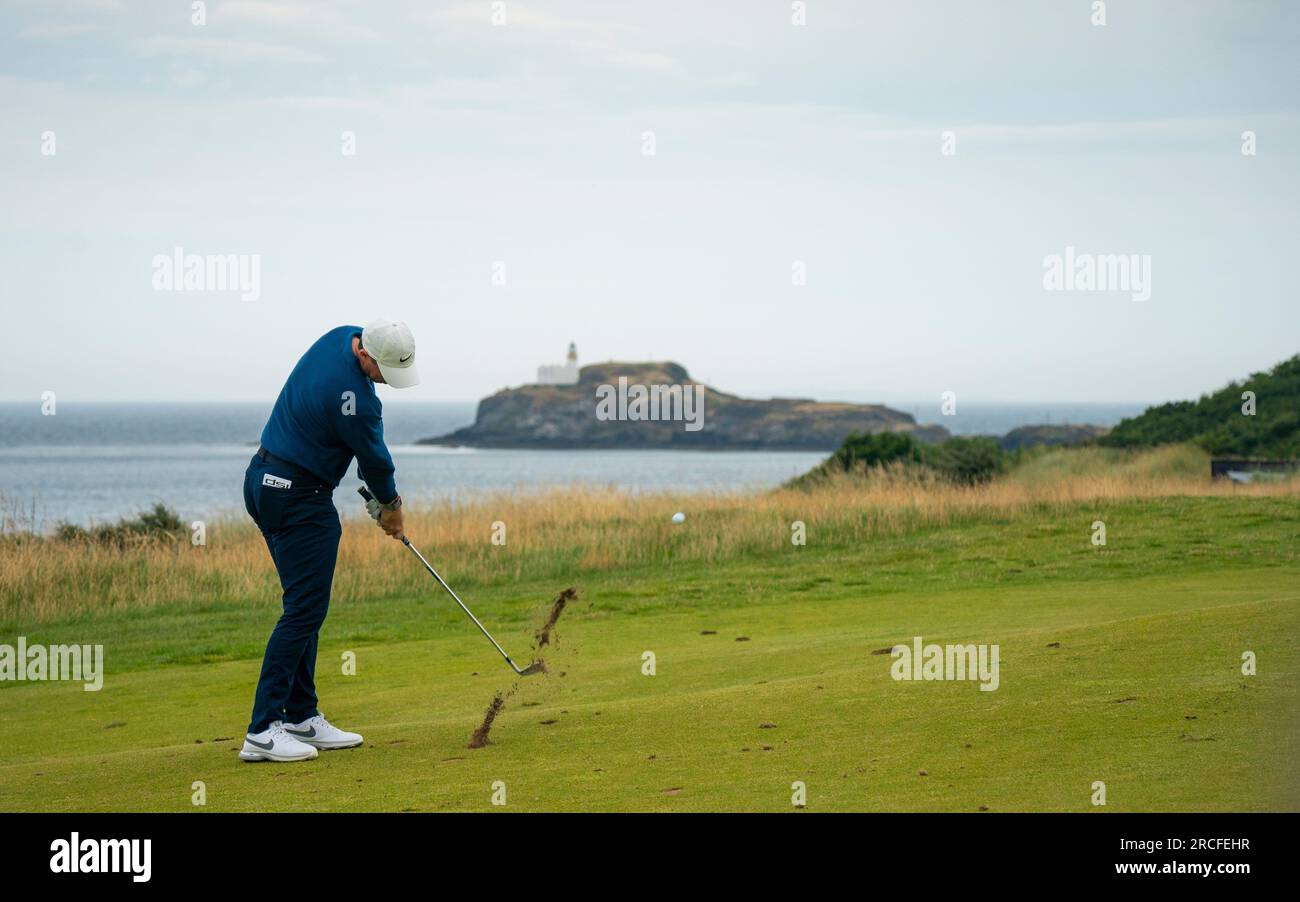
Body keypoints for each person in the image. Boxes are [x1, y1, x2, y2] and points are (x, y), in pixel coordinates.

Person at [238, 320, 418, 762]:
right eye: (381, 372)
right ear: (366, 357)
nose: (383, 382)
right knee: (304, 609)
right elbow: (374, 461)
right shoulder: (356, 401)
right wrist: (391, 508)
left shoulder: (342, 335)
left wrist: (382, 501)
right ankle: (262, 729)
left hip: (262, 481)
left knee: (304, 602)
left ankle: (300, 716)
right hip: (298, 497)